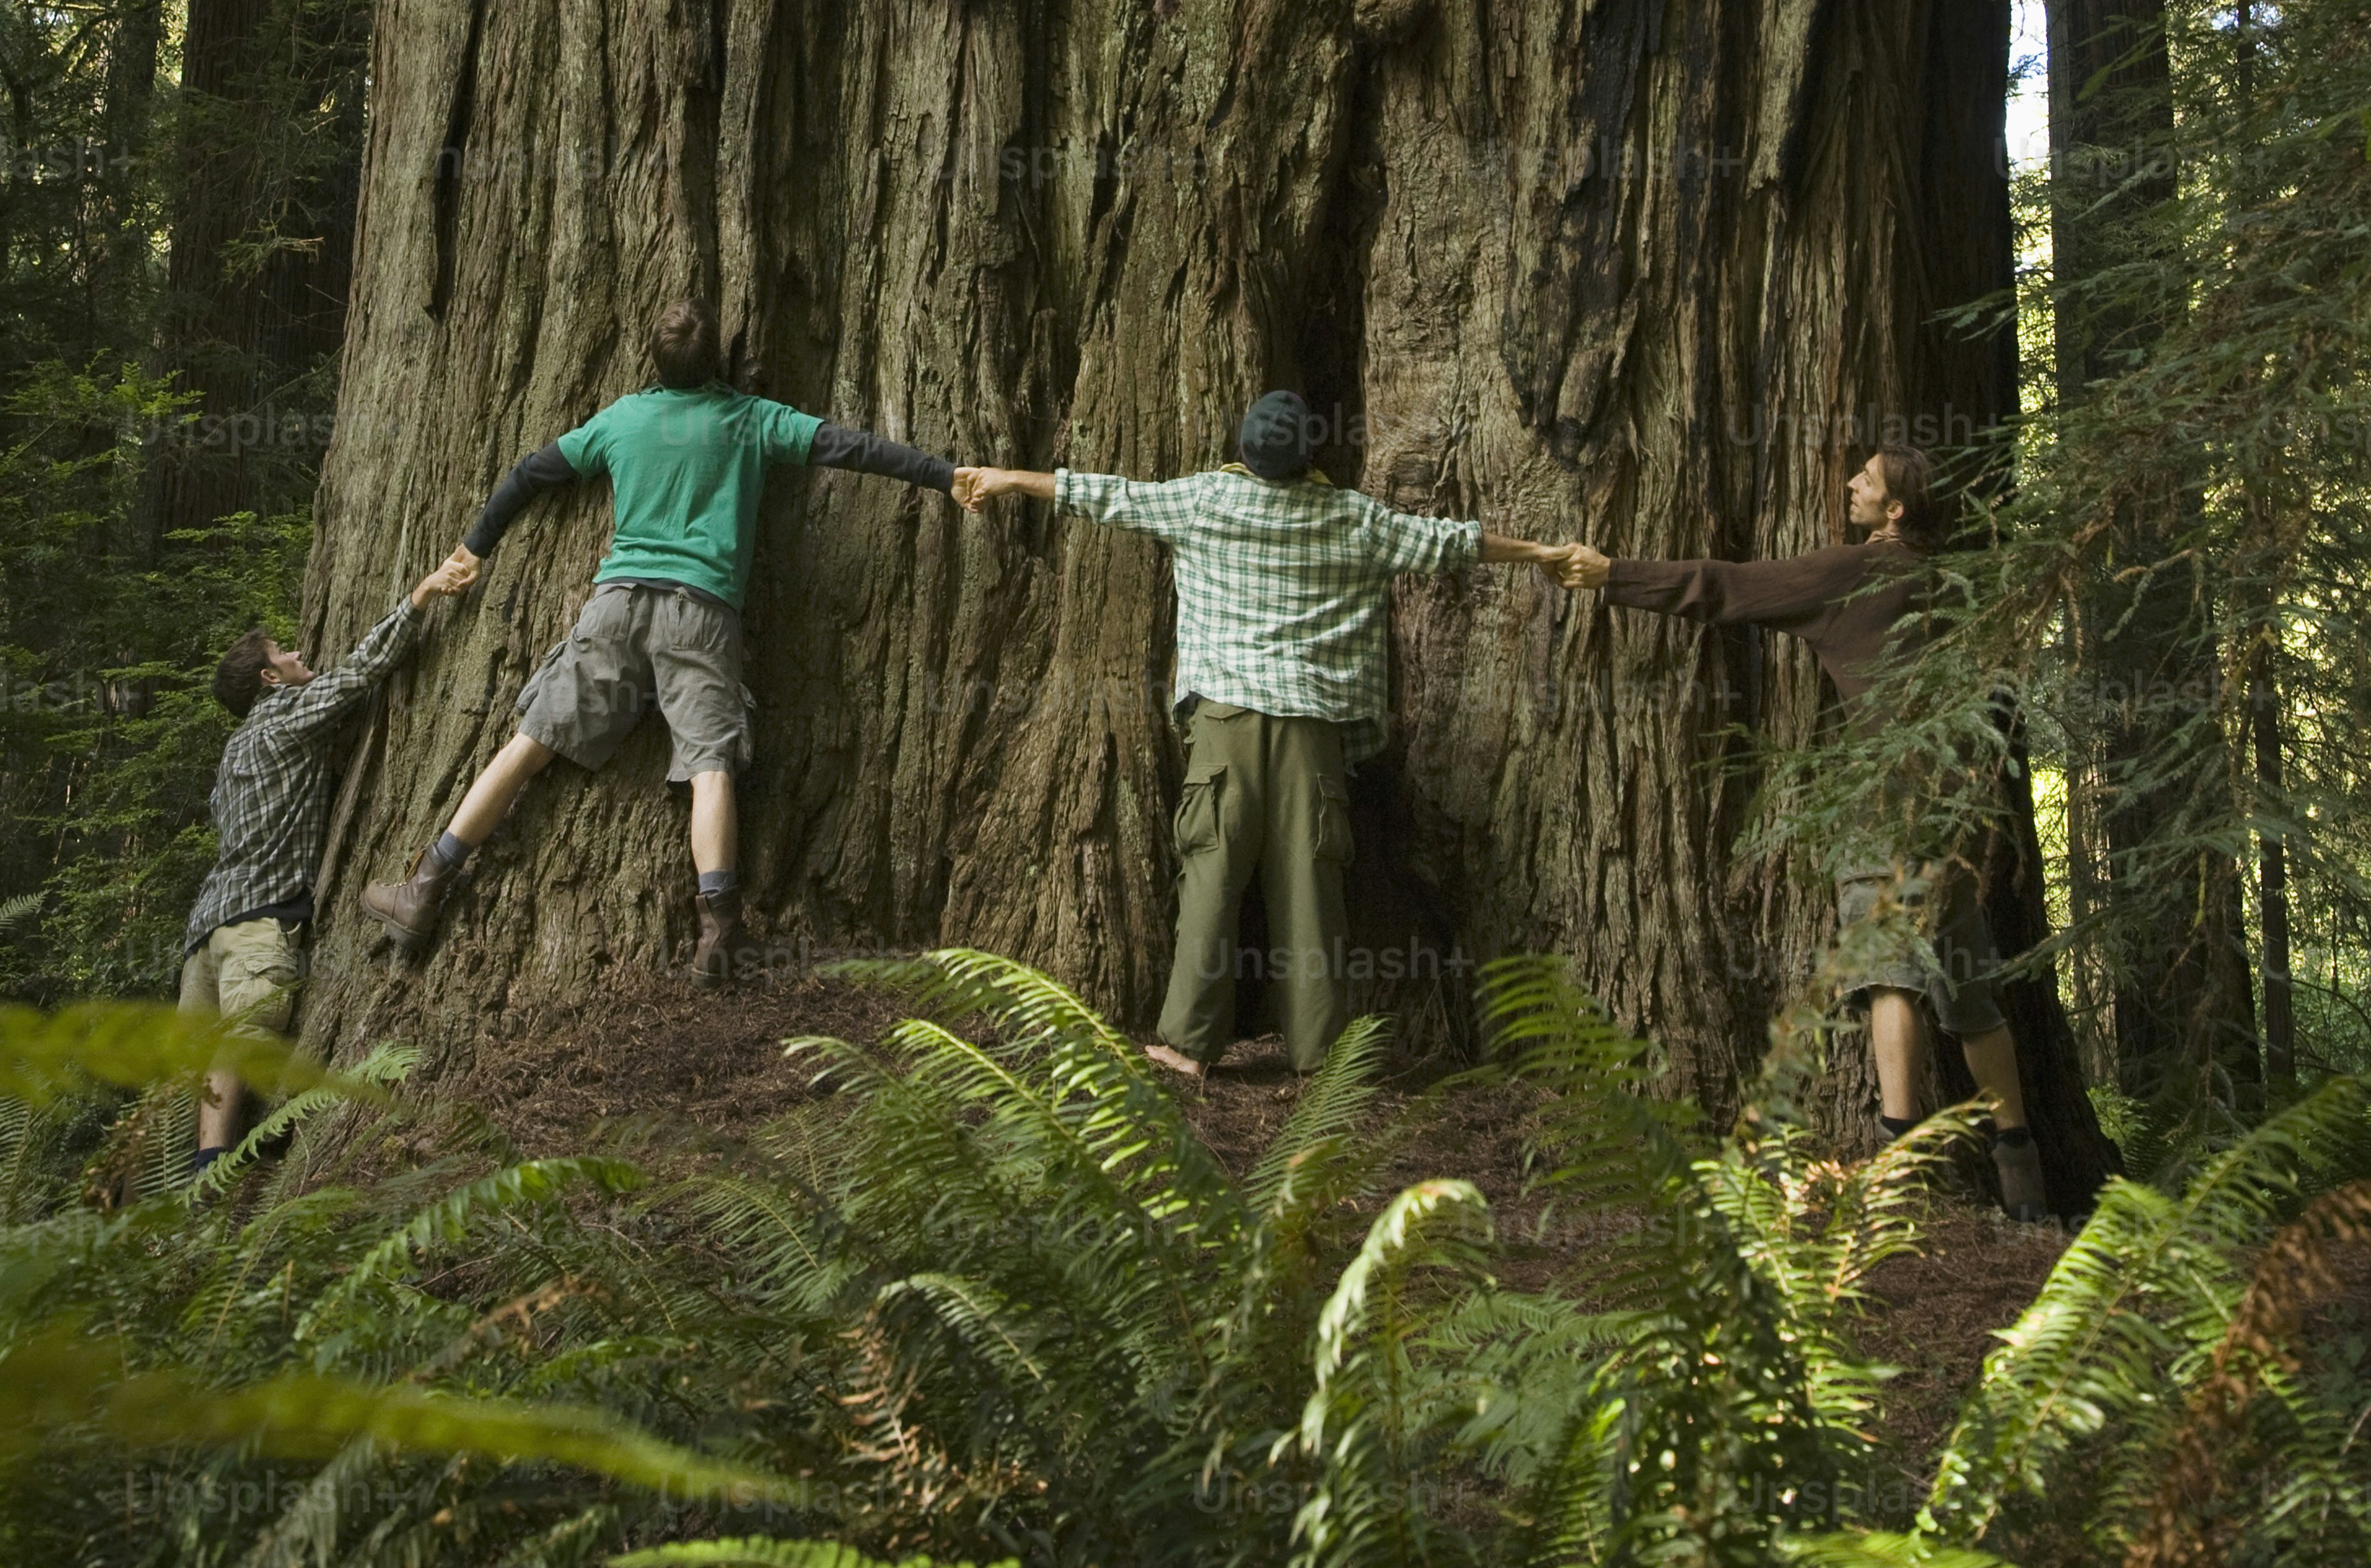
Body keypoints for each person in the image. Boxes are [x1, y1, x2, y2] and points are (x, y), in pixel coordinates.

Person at [955, 390, 1594, 1080]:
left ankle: (1185, 1045)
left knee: (1211, 877)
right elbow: (1450, 544)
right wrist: (1542, 553)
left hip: (1224, 726)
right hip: (1311, 734)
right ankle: (1319, 1055)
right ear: (1308, 455)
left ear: (1244, 449)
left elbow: (1104, 496)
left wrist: (1007, 478)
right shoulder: (1353, 520)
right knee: (1310, 891)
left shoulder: (1201, 501)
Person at [360, 297, 958, 980]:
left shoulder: (624, 418)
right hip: (699, 615)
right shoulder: (751, 419)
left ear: (655, 362)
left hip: (615, 607)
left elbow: (530, 474)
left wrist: (474, 548)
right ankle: (720, 935)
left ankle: (425, 885)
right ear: (720, 365)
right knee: (710, 765)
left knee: (529, 745)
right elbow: (853, 448)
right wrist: (945, 476)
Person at [1567, 446, 2052, 1222]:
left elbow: (1726, 587)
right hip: (1961, 799)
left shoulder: (1856, 574)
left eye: (1866, 480)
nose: (1850, 485)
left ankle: (1896, 1171)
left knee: (1890, 971)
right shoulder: (1955, 582)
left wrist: (1611, 574)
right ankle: (2019, 1163)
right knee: (1967, 984)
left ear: (1894, 510)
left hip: (1888, 799)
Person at [182, 552, 481, 1172]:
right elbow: (358, 674)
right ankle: (208, 1169)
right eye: (283, 652)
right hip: (256, 920)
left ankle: (140, 1205)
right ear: (269, 679)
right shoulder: (285, 719)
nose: (296, 654)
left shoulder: (232, 753)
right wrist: (421, 595)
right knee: (248, 1035)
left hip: (204, 930)